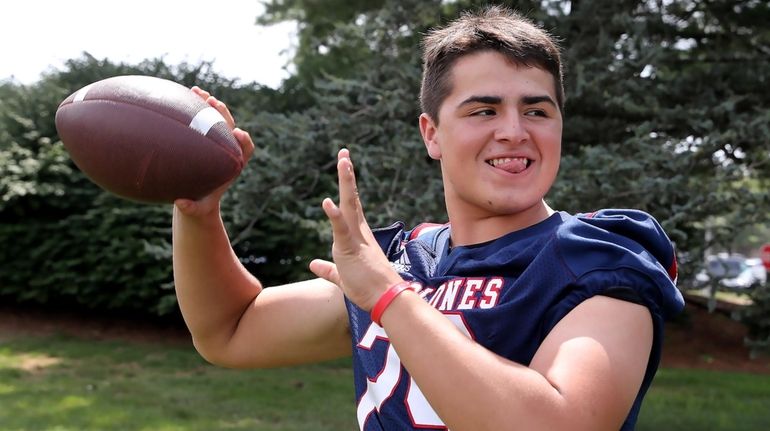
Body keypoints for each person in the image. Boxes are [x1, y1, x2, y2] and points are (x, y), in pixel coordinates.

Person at [173, 6, 684, 430]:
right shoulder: (404, 259)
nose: (514, 131)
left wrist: (390, 298)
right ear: (431, 133)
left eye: (537, 110)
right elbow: (230, 330)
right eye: (483, 110)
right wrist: (198, 210)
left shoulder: (600, 261)